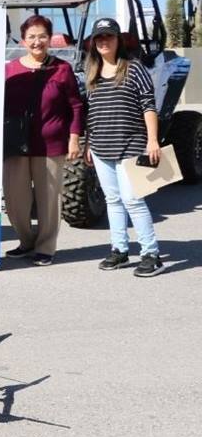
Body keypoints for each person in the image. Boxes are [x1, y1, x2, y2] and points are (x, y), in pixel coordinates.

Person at [84, 18, 165, 277]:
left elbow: (148, 105)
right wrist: (89, 143)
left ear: (118, 40)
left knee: (133, 200)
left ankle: (151, 254)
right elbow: (92, 111)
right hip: (101, 147)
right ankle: (119, 250)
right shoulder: (92, 72)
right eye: (99, 37)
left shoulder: (134, 68)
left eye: (108, 36)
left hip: (131, 144)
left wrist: (152, 140)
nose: (104, 41)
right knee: (113, 200)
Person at [2, 14, 84, 265]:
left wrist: (74, 138)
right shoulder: (10, 69)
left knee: (49, 199)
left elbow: (76, 106)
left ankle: (45, 247)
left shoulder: (62, 69)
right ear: (23, 40)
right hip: (15, 144)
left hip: (50, 143)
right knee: (15, 200)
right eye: (31, 37)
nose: (37, 42)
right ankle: (27, 241)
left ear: (50, 39)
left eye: (42, 36)